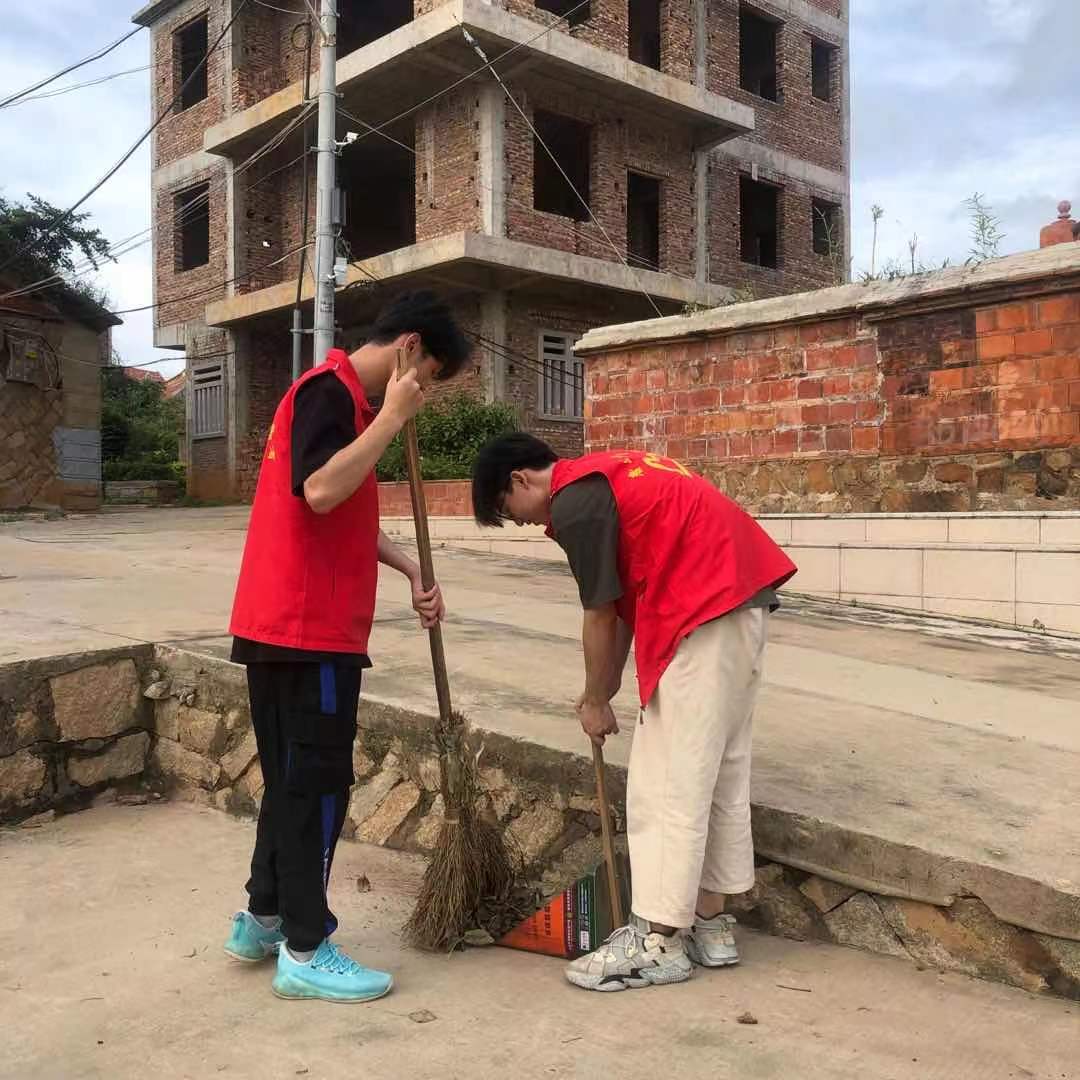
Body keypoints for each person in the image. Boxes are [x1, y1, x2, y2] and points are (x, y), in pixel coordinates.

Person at [472, 434, 797, 992]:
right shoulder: (610, 475)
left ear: (521, 479)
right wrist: (600, 691)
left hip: (700, 611)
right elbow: (622, 609)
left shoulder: (575, 503)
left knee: (666, 783)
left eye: (508, 509)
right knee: (715, 773)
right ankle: (709, 923)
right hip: (739, 607)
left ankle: (657, 941)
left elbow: (599, 613)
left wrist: (597, 699)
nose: (520, 523)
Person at [224, 292, 470, 1003]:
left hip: (283, 626)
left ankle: (265, 916)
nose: (424, 392)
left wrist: (411, 568)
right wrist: (393, 417)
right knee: (318, 787)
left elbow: (344, 513)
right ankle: (306, 948)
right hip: (309, 634)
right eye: (430, 376)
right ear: (410, 348)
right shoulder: (329, 394)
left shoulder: (342, 405)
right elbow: (321, 491)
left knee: (291, 780)